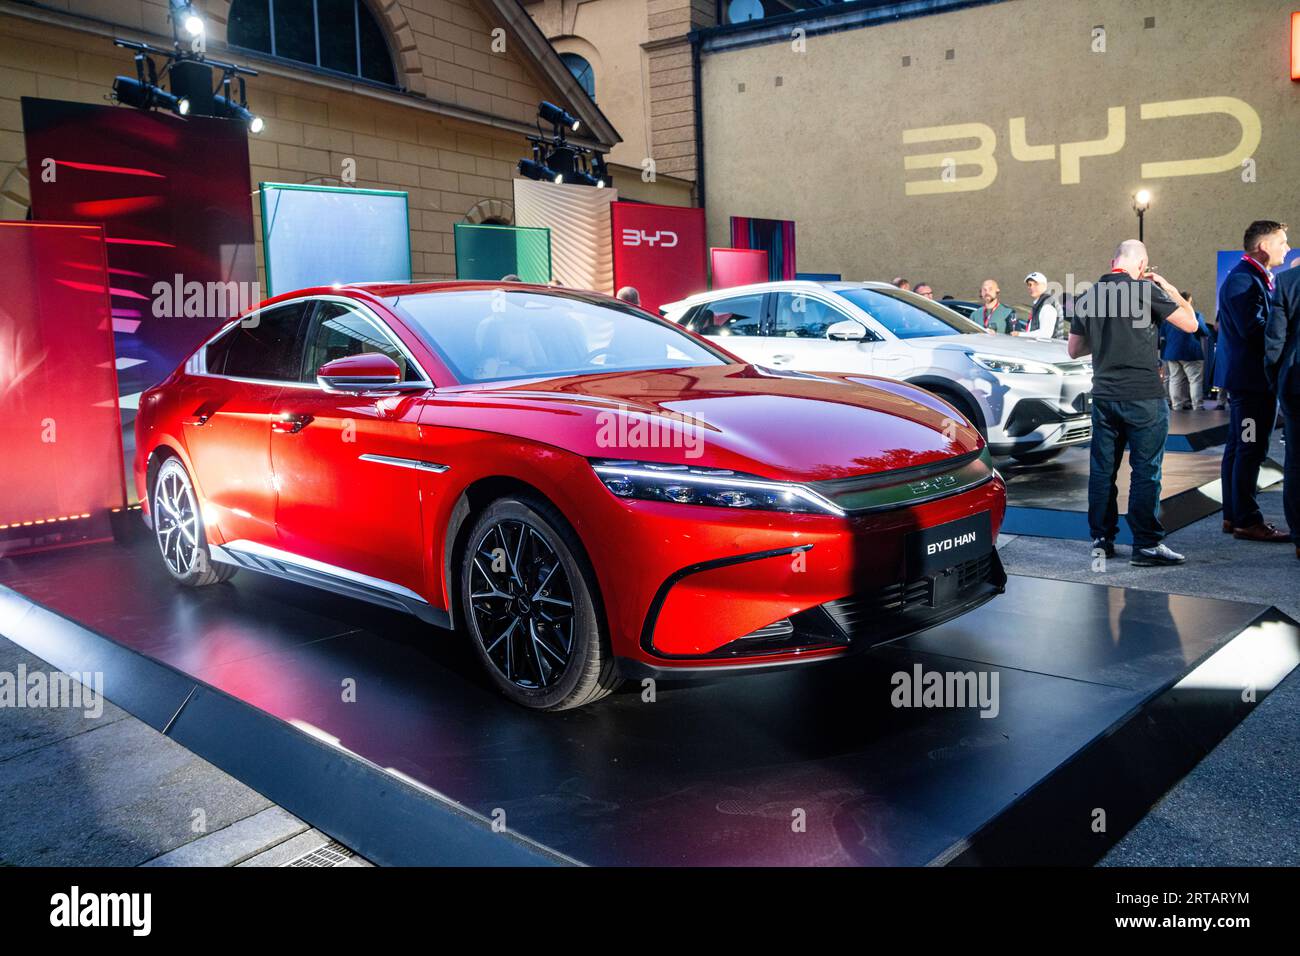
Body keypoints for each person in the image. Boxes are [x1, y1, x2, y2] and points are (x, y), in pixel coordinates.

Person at [1067, 239, 1198, 565]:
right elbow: (1191, 323)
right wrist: (1167, 286)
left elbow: (1074, 350)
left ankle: (1101, 539)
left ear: (1114, 261)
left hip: (1105, 397)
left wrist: (1105, 339)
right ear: (1141, 266)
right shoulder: (1146, 291)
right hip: (1143, 397)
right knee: (1146, 471)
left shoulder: (1087, 296)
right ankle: (1146, 545)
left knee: (1101, 471)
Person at [1217, 220, 1292, 543]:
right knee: (1249, 449)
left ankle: (1234, 514)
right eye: (1283, 242)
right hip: (1251, 384)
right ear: (1263, 247)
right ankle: (1247, 519)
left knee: (1240, 448)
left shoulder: (1250, 277)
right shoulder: (1243, 280)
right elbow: (1254, 329)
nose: (1287, 249)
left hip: (1250, 382)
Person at [1265, 261, 1300, 561]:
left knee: (1296, 460)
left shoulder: (1287, 280)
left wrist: (1274, 377)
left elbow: (1275, 337)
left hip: (1295, 379)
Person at [1162, 291, 1208, 410]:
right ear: (1189, 301)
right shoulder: (1196, 315)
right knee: (1195, 380)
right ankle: (1197, 406)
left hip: (1172, 353)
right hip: (1191, 352)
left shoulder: (1168, 317)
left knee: (1175, 380)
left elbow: (1163, 334)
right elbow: (1204, 332)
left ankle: (1177, 406)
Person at [1022, 271, 1060, 339]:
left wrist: (1019, 334)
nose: (1032, 287)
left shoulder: (1047, 306)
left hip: (1045, 348)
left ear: (1045, 286)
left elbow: (1045, 334)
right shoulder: (1039, 304)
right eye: (1029, 284)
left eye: (1036, 284)